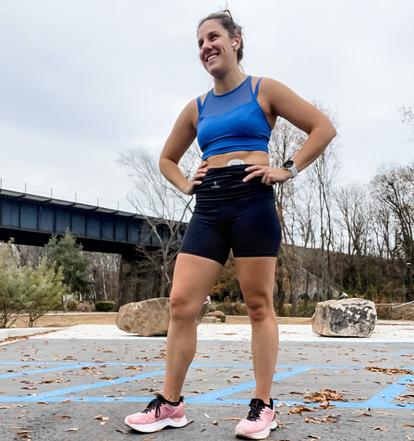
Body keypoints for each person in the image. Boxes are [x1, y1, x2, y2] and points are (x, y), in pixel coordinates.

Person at [124, 9, 336, 440]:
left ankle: (262, 406)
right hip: (209, 206)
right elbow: (166, 159)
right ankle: (170, 404)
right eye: (200, 42)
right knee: (181, 304)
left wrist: (287, 169)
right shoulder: (197, 107)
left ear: (236, 40)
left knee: (259, 305)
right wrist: (185, 183)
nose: (206, 47)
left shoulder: (264, 89)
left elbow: (322, 128)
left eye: (213, 37)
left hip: (252, 200)